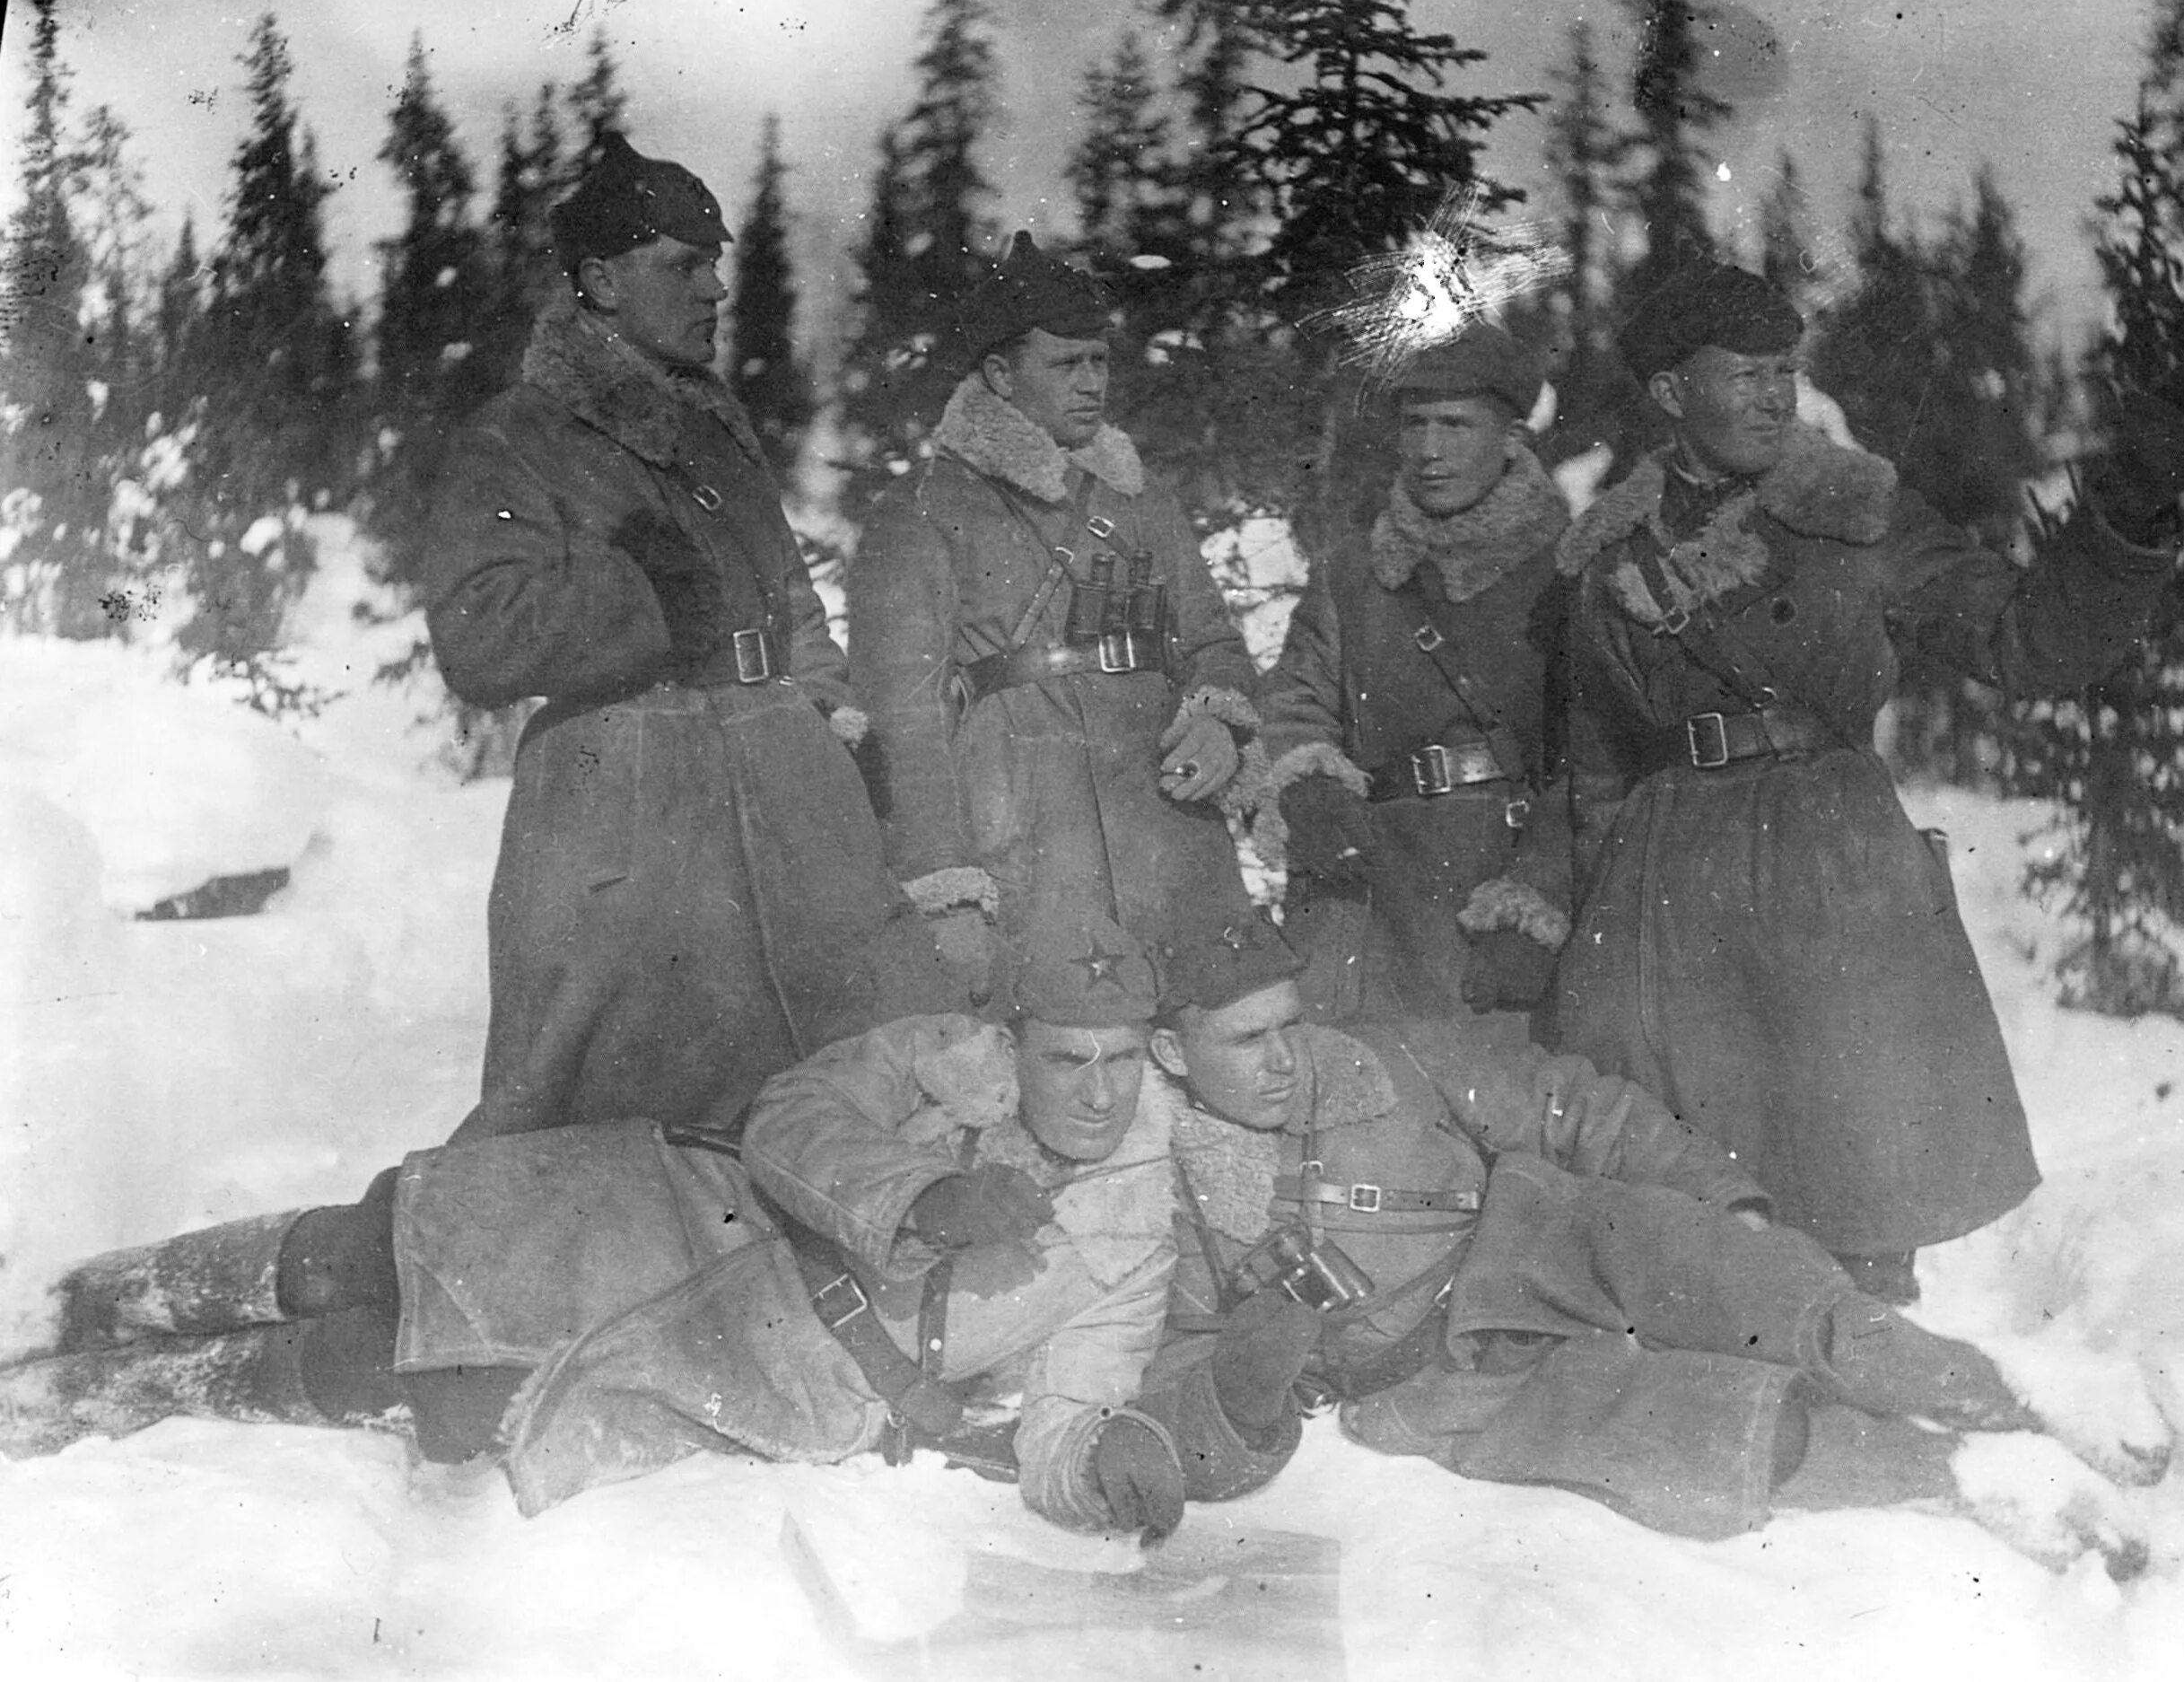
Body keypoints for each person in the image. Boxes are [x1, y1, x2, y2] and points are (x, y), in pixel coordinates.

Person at [0, 920, 1189, 1539]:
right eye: (1069, 1058)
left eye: (1124, 1061)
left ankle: (62, 1408)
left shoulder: (1132, 1230)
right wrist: (920, 1197)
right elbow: (795, 1118)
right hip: (673, 1215)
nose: (1098, 1091)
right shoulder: (947, 1054)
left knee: (419, 1384)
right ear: (1019, 1038)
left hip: (765, 1368)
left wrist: (1097, 1470)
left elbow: (1072, 1410)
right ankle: (50, 1307)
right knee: (372, 1248)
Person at [1130, 918, 2167, 1575]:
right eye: (1246, 1040)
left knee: (1761, 1291)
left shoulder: (1392, 1057)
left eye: (1289, 1024)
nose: (1285, 1059)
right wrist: (1242, 1382)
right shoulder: (1162, 1195)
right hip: (1444, 1385)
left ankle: (2022, 1394)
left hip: (1544, 1239)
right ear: (1171, 1051)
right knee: (1686, 1432)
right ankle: (1972, 1474)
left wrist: (1719, 1195)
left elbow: (1575, 1110)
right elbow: (1178, 1403)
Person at [1548, 262, 2184, 1303]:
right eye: (1742, 373)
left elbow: (2026, 642)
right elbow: (1594, 765)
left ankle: (1880, 1392)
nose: (1772, 396)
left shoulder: (1856, 510)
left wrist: (2131, 516)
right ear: (1670, 393)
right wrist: (1592, 939)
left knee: (1858, 1185)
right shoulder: (1607, 557)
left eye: (1783, 372)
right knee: (1695, 1199)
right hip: (1667, 886)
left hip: (1827, 861)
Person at [422, 132, 952, 1142]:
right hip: (622, 820)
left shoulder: (714, 429)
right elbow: (476, 638)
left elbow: (791, 600)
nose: (713, 288)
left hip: (782, 786)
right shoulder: (517, 436)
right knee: (601, 1126)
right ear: (600, 282)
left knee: (841, 1088)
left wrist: (834, 717)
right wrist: (639, 598)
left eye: (715, 263)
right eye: (681, 265)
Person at [847, 232, 1268, 1003]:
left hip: (1166, 820)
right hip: (1022, 827)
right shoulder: (921, 509)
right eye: (1065, 364)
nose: (1091, 383)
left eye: (1099, 361)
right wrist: (945, 882)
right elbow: (902, 719)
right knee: (1056, 1048)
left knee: (1216, 1033)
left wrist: (1220, 721)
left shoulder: (1141, 498)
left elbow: (1212, 640)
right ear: (1001, 376)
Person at [1261, 322, 1574, 1035]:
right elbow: (1296, 700)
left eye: (1456, 426)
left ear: (1511, 439)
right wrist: (1309, 786)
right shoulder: (1352, 572)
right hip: (1372, 881)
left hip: (1502, 880)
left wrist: (1536, 898)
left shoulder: (1567, 571)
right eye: (1415, 425)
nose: (1430, 450)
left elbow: (1590, 766)